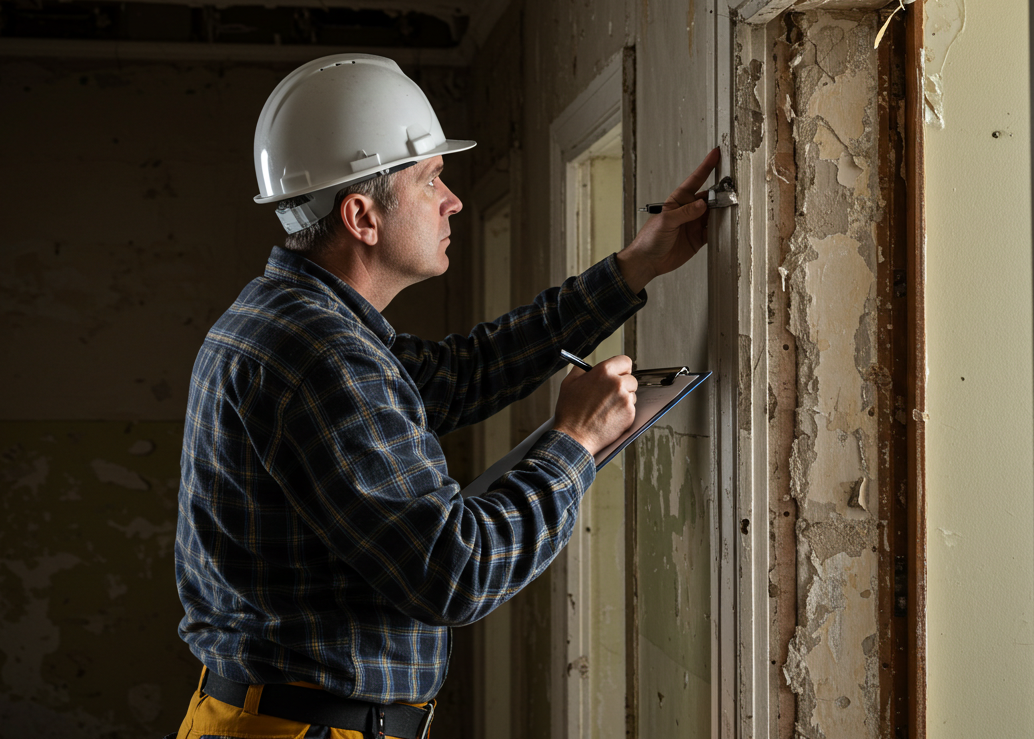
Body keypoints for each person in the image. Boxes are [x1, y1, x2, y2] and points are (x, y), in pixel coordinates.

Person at [170, 53, 720, 739]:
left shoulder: (295, 320)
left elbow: (461, 375)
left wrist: (635, 266)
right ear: (362, 217)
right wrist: (573, 443)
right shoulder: (323, 356)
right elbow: (454, 572)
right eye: (430, 178)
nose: (452, 198)